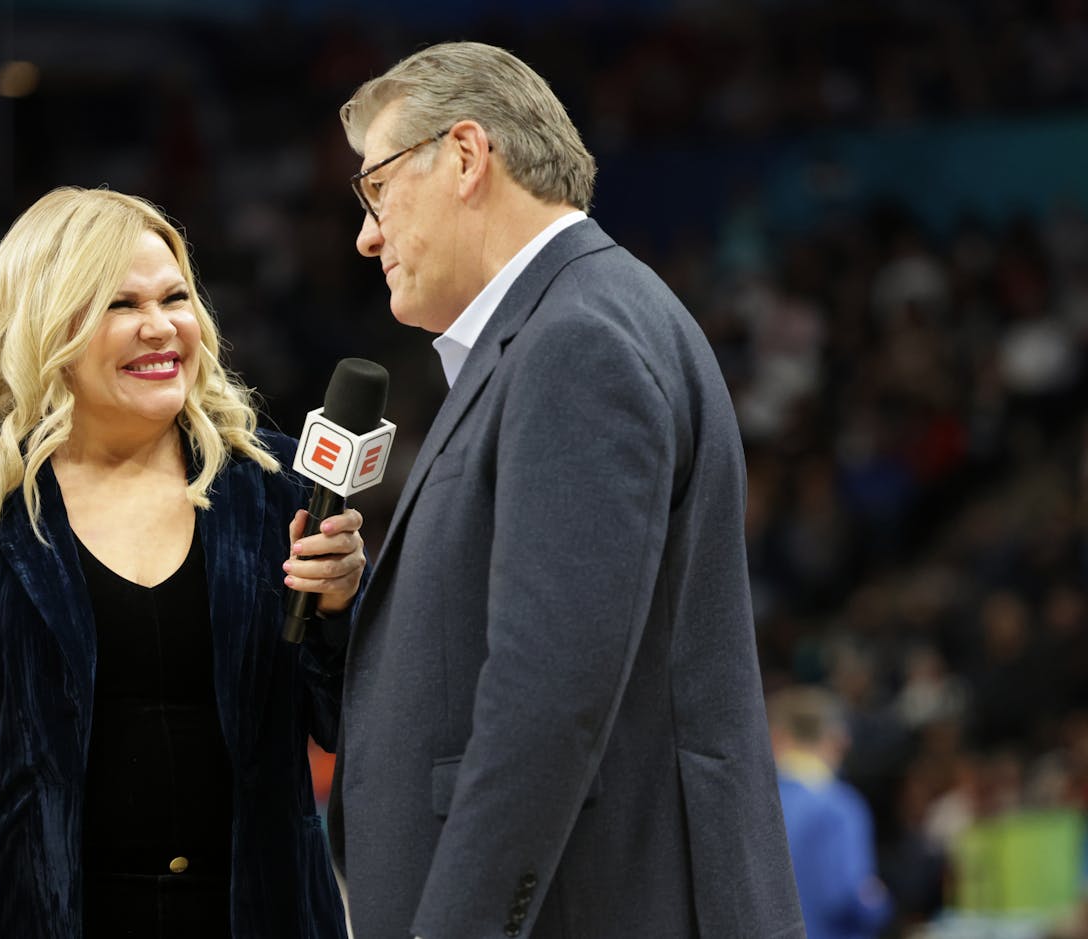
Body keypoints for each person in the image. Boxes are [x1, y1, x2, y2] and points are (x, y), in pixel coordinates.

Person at [330, 41, 805, 939]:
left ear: (467, 156)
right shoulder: (582, 319)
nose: (367, 231)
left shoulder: (576, 341)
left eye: (376, 187)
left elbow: (547, 697)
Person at [0, 187, 360, 938]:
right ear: (47, 326)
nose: (160, 328)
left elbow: (343, 721)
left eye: (175, 297)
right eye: (120, 305)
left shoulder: (275, 485)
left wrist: (341, 608)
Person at [769, 686, 893, 939]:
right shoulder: (839, 807)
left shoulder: (753, 805)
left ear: (777, 736)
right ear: (839, 739)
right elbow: (849, 898)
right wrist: (877, 901)